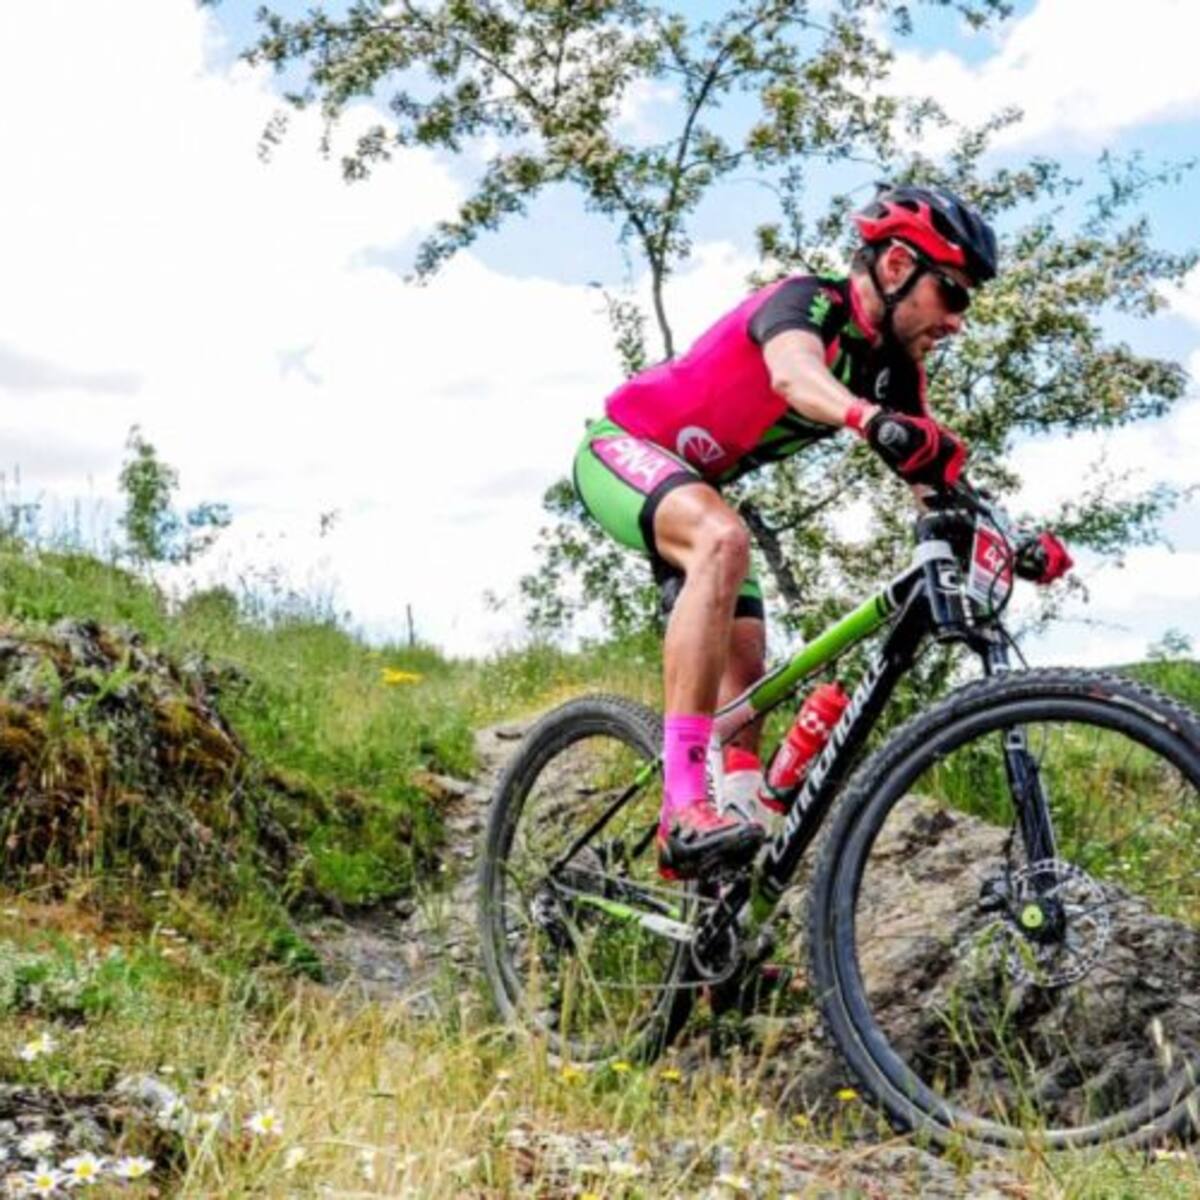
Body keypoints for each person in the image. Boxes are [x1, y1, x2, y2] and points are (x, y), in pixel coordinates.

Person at [572, 184, 1073, 880]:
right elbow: (793, 375)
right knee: (722, 539)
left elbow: (932, 481)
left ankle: (723, 890)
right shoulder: (807, 302)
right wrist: (867, 419)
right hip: (623, 448)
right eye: (952, 295)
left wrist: (1005, 537)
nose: (958, 321)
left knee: (748, 691)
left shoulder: (896, 370)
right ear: (897, 267)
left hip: (701, 491)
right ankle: (682, 808)